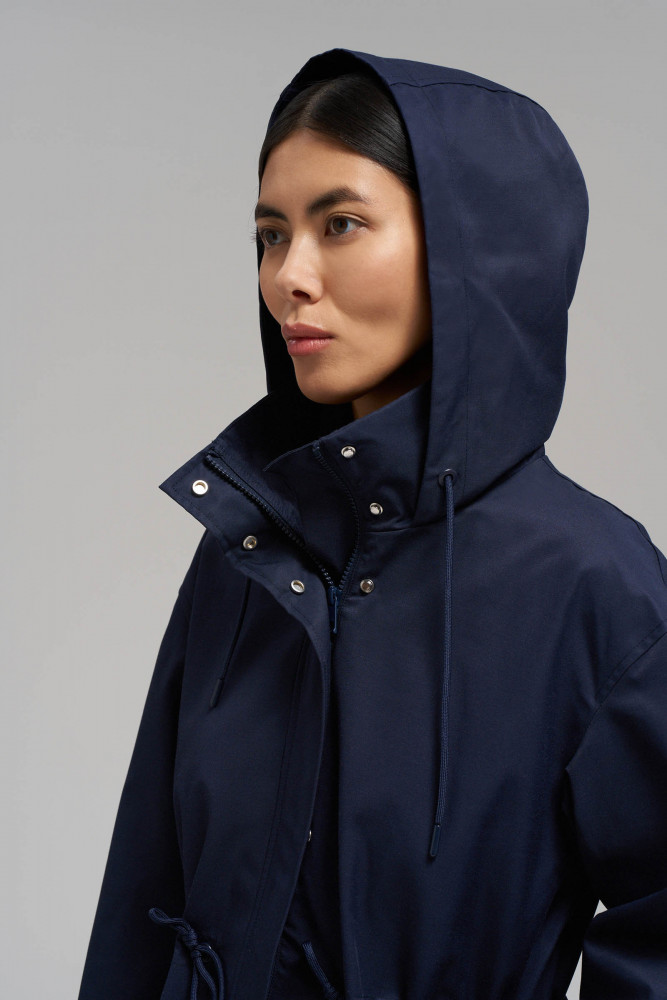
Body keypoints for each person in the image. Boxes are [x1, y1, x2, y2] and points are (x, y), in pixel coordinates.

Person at [77, 47, 667, 1000]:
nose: (288, 277)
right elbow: (140, 900)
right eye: (270, 235)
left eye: (339, 224)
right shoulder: (247, 549)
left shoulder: (595, 586)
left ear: (476, 250)